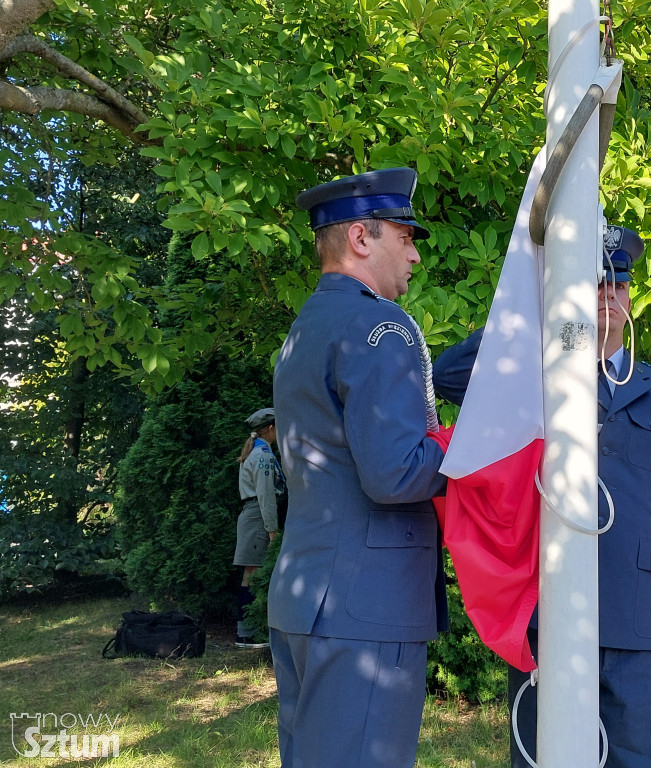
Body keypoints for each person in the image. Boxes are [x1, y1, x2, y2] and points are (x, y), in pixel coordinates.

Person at [434, 225, 651, 768]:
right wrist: (534, 306)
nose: (607, 294)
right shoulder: (535, 374)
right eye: (592, 284)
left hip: (636, 610)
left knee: (629, 757)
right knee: (542, 755)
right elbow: (449, 376)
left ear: (631, 298)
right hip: (551, 606)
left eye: (617, 286)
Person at [268, 167, 448, 768]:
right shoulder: (381, 326)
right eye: (406, 237)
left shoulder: (308, 326)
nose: (416, 256)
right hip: (367, 604)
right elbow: (395, 472)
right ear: (362, 240)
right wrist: (472, 452)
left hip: (308, 595)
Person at [233, 406, 284, 649]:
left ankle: (249, 631)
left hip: (255, 515)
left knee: (252, 574)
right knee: (253, 574)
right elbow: (265, 495)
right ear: (271, 428)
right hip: (258, 517)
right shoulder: (263, 455)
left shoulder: (259, 450)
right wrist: (272, 532)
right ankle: (247, 633)